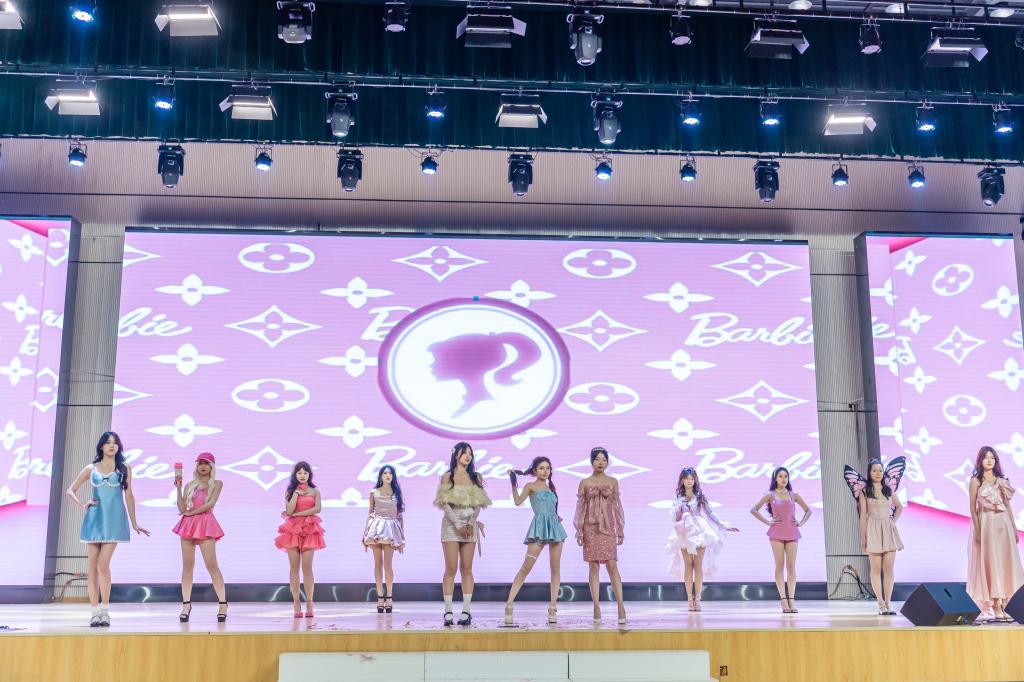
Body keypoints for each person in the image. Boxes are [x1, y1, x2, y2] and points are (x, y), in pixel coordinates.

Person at [65, 431, 150, 627]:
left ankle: (105, 610)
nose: (112, 445)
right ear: (101, 446)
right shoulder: (91, 468)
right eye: (108, 442)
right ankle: (94, 612)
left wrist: (134, 522)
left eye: (115, 443)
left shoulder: (124, 468)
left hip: (114, 521)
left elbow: (129, 495)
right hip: (94, 520)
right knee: (92, 567)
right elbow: (70, 490)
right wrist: (83, 505)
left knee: (103, 565)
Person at [434, 441, 492, 626]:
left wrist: (470, 523)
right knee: (451, 568)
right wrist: (458, 524)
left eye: (470, 453)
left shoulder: (476, 477)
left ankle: (466, 611)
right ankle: (448, 611)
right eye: (465, 452)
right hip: (451, 525)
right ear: (456, 455)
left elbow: (478, 504)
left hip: (469, 526)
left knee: (467, 568)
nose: (468, 456)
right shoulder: (447, 476)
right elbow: (444, 504)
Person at [504, 456, 567, 625]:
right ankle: (509, 604)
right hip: (538, 529)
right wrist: (513, 482)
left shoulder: (551, 488)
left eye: (548, 468)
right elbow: (517, 501)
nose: (545, 471)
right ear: (535, 470)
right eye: (541, 468)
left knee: (555, 569)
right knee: (526, 568)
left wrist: (556, 517)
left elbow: (551, 509)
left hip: (555, 529)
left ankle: (553, 607)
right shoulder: (530, 486)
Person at [667, 467, 739, 612]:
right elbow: (675, 517)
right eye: (687, 479)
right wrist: (678, 508)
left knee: (697, 565)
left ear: (695, 480)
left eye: (692, 479)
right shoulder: (678, 497)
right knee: (688, 565)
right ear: (682, 480)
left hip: (700, 530)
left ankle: (698, 599)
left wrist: (723, 525)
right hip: (684, 531)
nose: (689, 481)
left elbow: (710, 512)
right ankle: (690, 600)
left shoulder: (700, 495)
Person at [967, 446, 1024, 623]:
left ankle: (1006, 604)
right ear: (980, 460)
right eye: (986, 457)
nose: (989, 460)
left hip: (1003, 525)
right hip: (986, 525)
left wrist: (1013, 528)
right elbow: (972, 508)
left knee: (1005, 563)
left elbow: (1007, 506)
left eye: (992, 457)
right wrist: (977, 530)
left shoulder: (1002, 481)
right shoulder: (976, 481)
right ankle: (996, 605)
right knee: (991, 564)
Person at [843, 457, 906, 615]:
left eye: (880, 470)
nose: (878, 473)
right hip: (872, 530)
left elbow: (899, 506)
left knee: (889, 568)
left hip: (888, 530)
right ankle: (880, 604)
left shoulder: (888, 490)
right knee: (876, 568)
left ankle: (889, 603)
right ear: (869, 473)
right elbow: (863, 515)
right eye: (874, 470)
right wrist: (863, 537)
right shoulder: (865, 491)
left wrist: (893, 521)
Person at [573, 447, 627, 625]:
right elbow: (580, 508)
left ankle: (620, 605)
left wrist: (620, 528)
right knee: (593, 567)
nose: (601, 462)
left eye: (604, 459)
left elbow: (617, 508)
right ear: (591, 462)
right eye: (597, 459)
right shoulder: (584, 482)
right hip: (590, 528)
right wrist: (579, 529)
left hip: (608, 527)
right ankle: (596, 606)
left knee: (612, 565)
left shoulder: (613, 482)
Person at [173, 452, 227, 622]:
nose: (203, 466)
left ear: (212, 466)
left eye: (206, 463)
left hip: (205, 523)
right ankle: (186, 605)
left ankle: (223, 604)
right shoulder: (190, 485)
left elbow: (210, 504)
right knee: (187, 566)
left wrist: (191, 513)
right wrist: (178, 487)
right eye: (200, 463)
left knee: (212, 565)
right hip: (188, 525)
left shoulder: (217, 483)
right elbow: (182, 509)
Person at [750, 466, 811, 614]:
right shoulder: (770, 495)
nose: (783, 479)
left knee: (791, 566)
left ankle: (792, 600)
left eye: (786, 476)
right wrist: (768, 522)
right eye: (780, 476)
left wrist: (801, 523)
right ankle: (783, 600)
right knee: (779, 565)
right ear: (775, 479)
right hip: (776, 532)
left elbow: (808, 511)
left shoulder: (794, 495)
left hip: (792, 531)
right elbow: (753, 510)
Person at [274, 462, 325, 618]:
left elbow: (318, 509)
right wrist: (296, 494)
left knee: (307, 568)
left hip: (309, 530)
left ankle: (309, 602)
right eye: (299, 473)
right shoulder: (290, 491)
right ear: (295, 475)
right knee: (294, 568)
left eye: (305, 473)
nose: (302, 475)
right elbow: (289, 511)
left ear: (309, 474)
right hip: (292, 530)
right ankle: (296, 603)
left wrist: (299, 514)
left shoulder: (315, 491)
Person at [362, 464, 405, 613]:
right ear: (381, 476)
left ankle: (390, 597)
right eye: (385, 473)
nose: (388, 475)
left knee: (388, 565)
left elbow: (399, 516)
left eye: (390, 473)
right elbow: (370, 513)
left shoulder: (396, 492)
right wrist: (364, 534)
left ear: (393, 476)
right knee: (377, 563)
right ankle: (380, 597)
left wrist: (402, 539)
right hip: (376, 528)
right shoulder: (374, 492)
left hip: (391, 529)